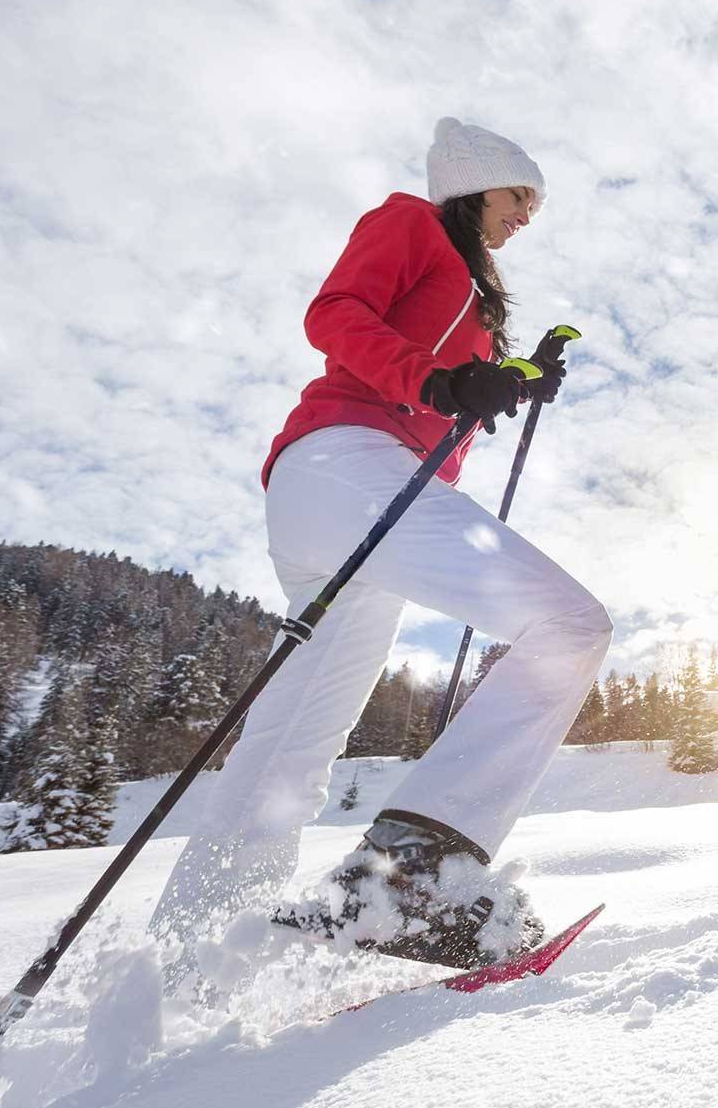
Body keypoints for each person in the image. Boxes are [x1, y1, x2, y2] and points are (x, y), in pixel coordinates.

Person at [149, 118, 612, 971]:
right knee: (572, 625)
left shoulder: (472, 292)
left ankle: (195, 963)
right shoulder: (410, 222)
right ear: (474, 182)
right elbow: (337, 316)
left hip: (344, 490)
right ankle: (416, 873)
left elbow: (442, 381)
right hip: (348, 463)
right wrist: (439, 378)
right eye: (520, 196)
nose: (527, 216)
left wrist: (509, 377)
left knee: (294, 744)